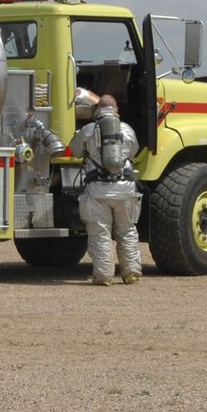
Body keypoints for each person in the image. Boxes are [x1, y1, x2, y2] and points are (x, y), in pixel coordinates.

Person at [68, 93, 143, 285]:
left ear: (97, 110)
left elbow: (75, 150)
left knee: (100, 234)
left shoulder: (89, 129)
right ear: (116, 110)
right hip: (125, 189)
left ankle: (103, 276)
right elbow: (134, 151)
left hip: (98, 191)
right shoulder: (127, 130)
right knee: (127, 231)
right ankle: (132, 272)